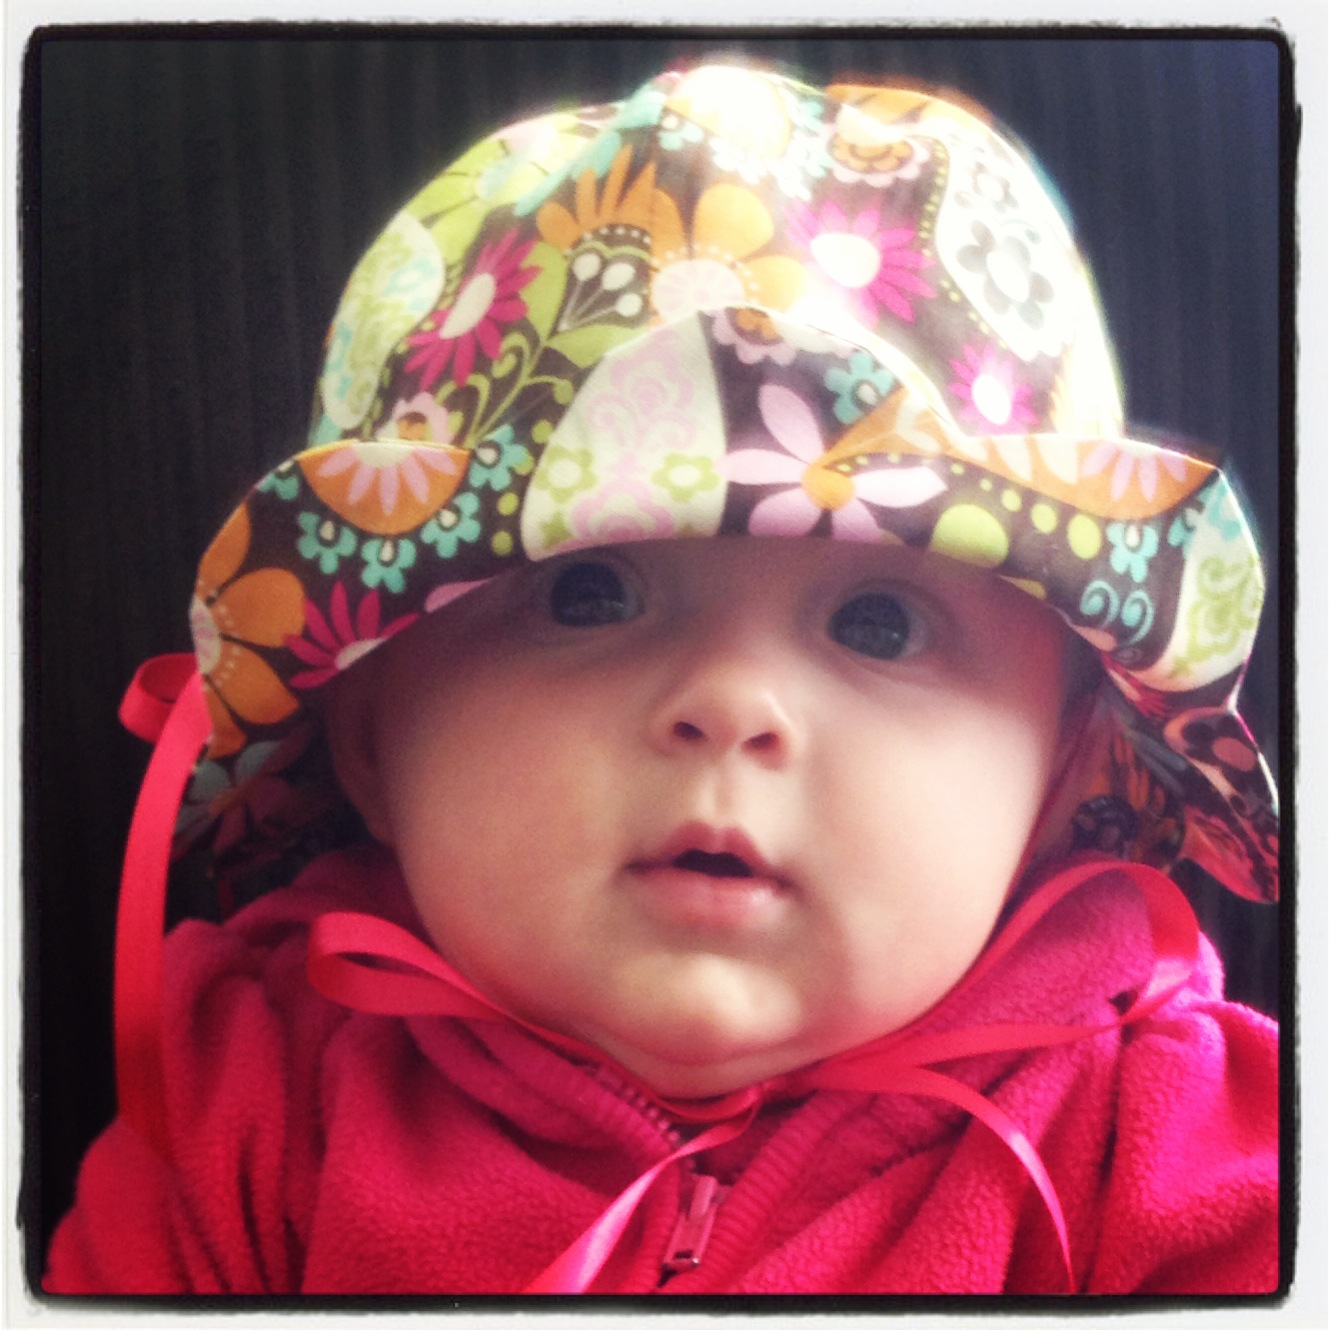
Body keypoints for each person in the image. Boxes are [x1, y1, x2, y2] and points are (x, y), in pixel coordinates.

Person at [43, 61, 1279, 1296]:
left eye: (880, 623)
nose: (730, 702)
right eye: (588, 594)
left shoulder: (1158, 1145)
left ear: (1061, 768)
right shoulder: (251, 1109)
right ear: (366, 734)